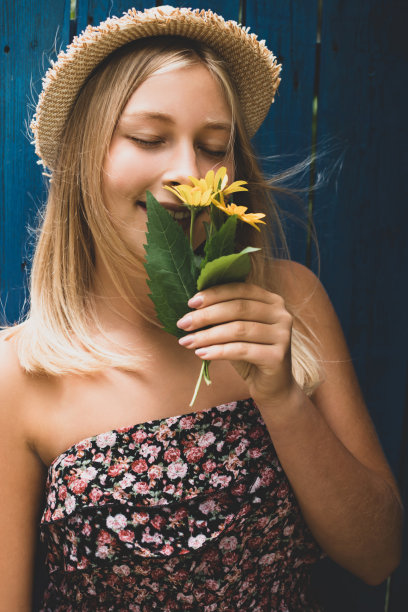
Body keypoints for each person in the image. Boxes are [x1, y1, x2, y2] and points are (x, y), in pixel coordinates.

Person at [0, 5, 402, 611]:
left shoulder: (291, 302)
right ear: (85, 160)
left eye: (215, 147)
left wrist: (284, 399)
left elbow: (379, 558)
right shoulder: (20, 377)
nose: (189, 172)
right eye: (149, 138)